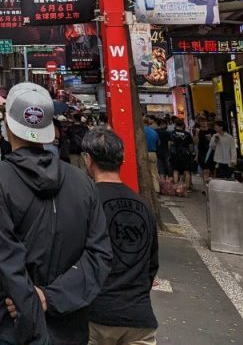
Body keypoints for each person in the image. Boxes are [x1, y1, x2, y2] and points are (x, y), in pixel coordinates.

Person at [0, 82, 111, 345]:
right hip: (71, 319)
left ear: (6, 123)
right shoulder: (83, 181)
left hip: (18, 319)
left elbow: (9, 256)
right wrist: (53, 296)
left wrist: (33, 304)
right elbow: (100, 255)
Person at [82, 128, 159, 345]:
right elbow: (152, 264)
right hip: (139, 318)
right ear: (122, 160)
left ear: (88, 159)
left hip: (95, 316)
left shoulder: (86, 202)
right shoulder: (144, 206)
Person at [169, 119, 194, 195]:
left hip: (175, 153)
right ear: (183, 125)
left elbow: (169, 144)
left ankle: (176, 188)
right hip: (185, 153)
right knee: (187, 171)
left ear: (175, 125)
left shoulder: (172, 133)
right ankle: (186, 189)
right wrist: (190, 153)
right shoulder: (187, 134)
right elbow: (190, 146)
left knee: (175, 170)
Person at [193, 116, 215, 186]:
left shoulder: (212, 131)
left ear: (207, 122)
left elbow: (217, 143)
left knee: (212, 172)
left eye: (205, 121)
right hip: (202, 154)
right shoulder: (198, 131)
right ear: (199, 123)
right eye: (201, 122)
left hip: (212, 153)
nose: (203, 123)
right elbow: (195, 143)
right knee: (205, 171)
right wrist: (196, 133)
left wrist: (211, 139)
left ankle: (212, 187)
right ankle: (206, 188)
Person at [143, 115, 160, 194]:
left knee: (143, 171)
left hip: (143, 153)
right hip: (153, 153)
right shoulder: (154, 132)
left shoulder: (140, 131)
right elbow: (158, 143)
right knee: (153, 172)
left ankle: (146, 188)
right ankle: (156, 189)